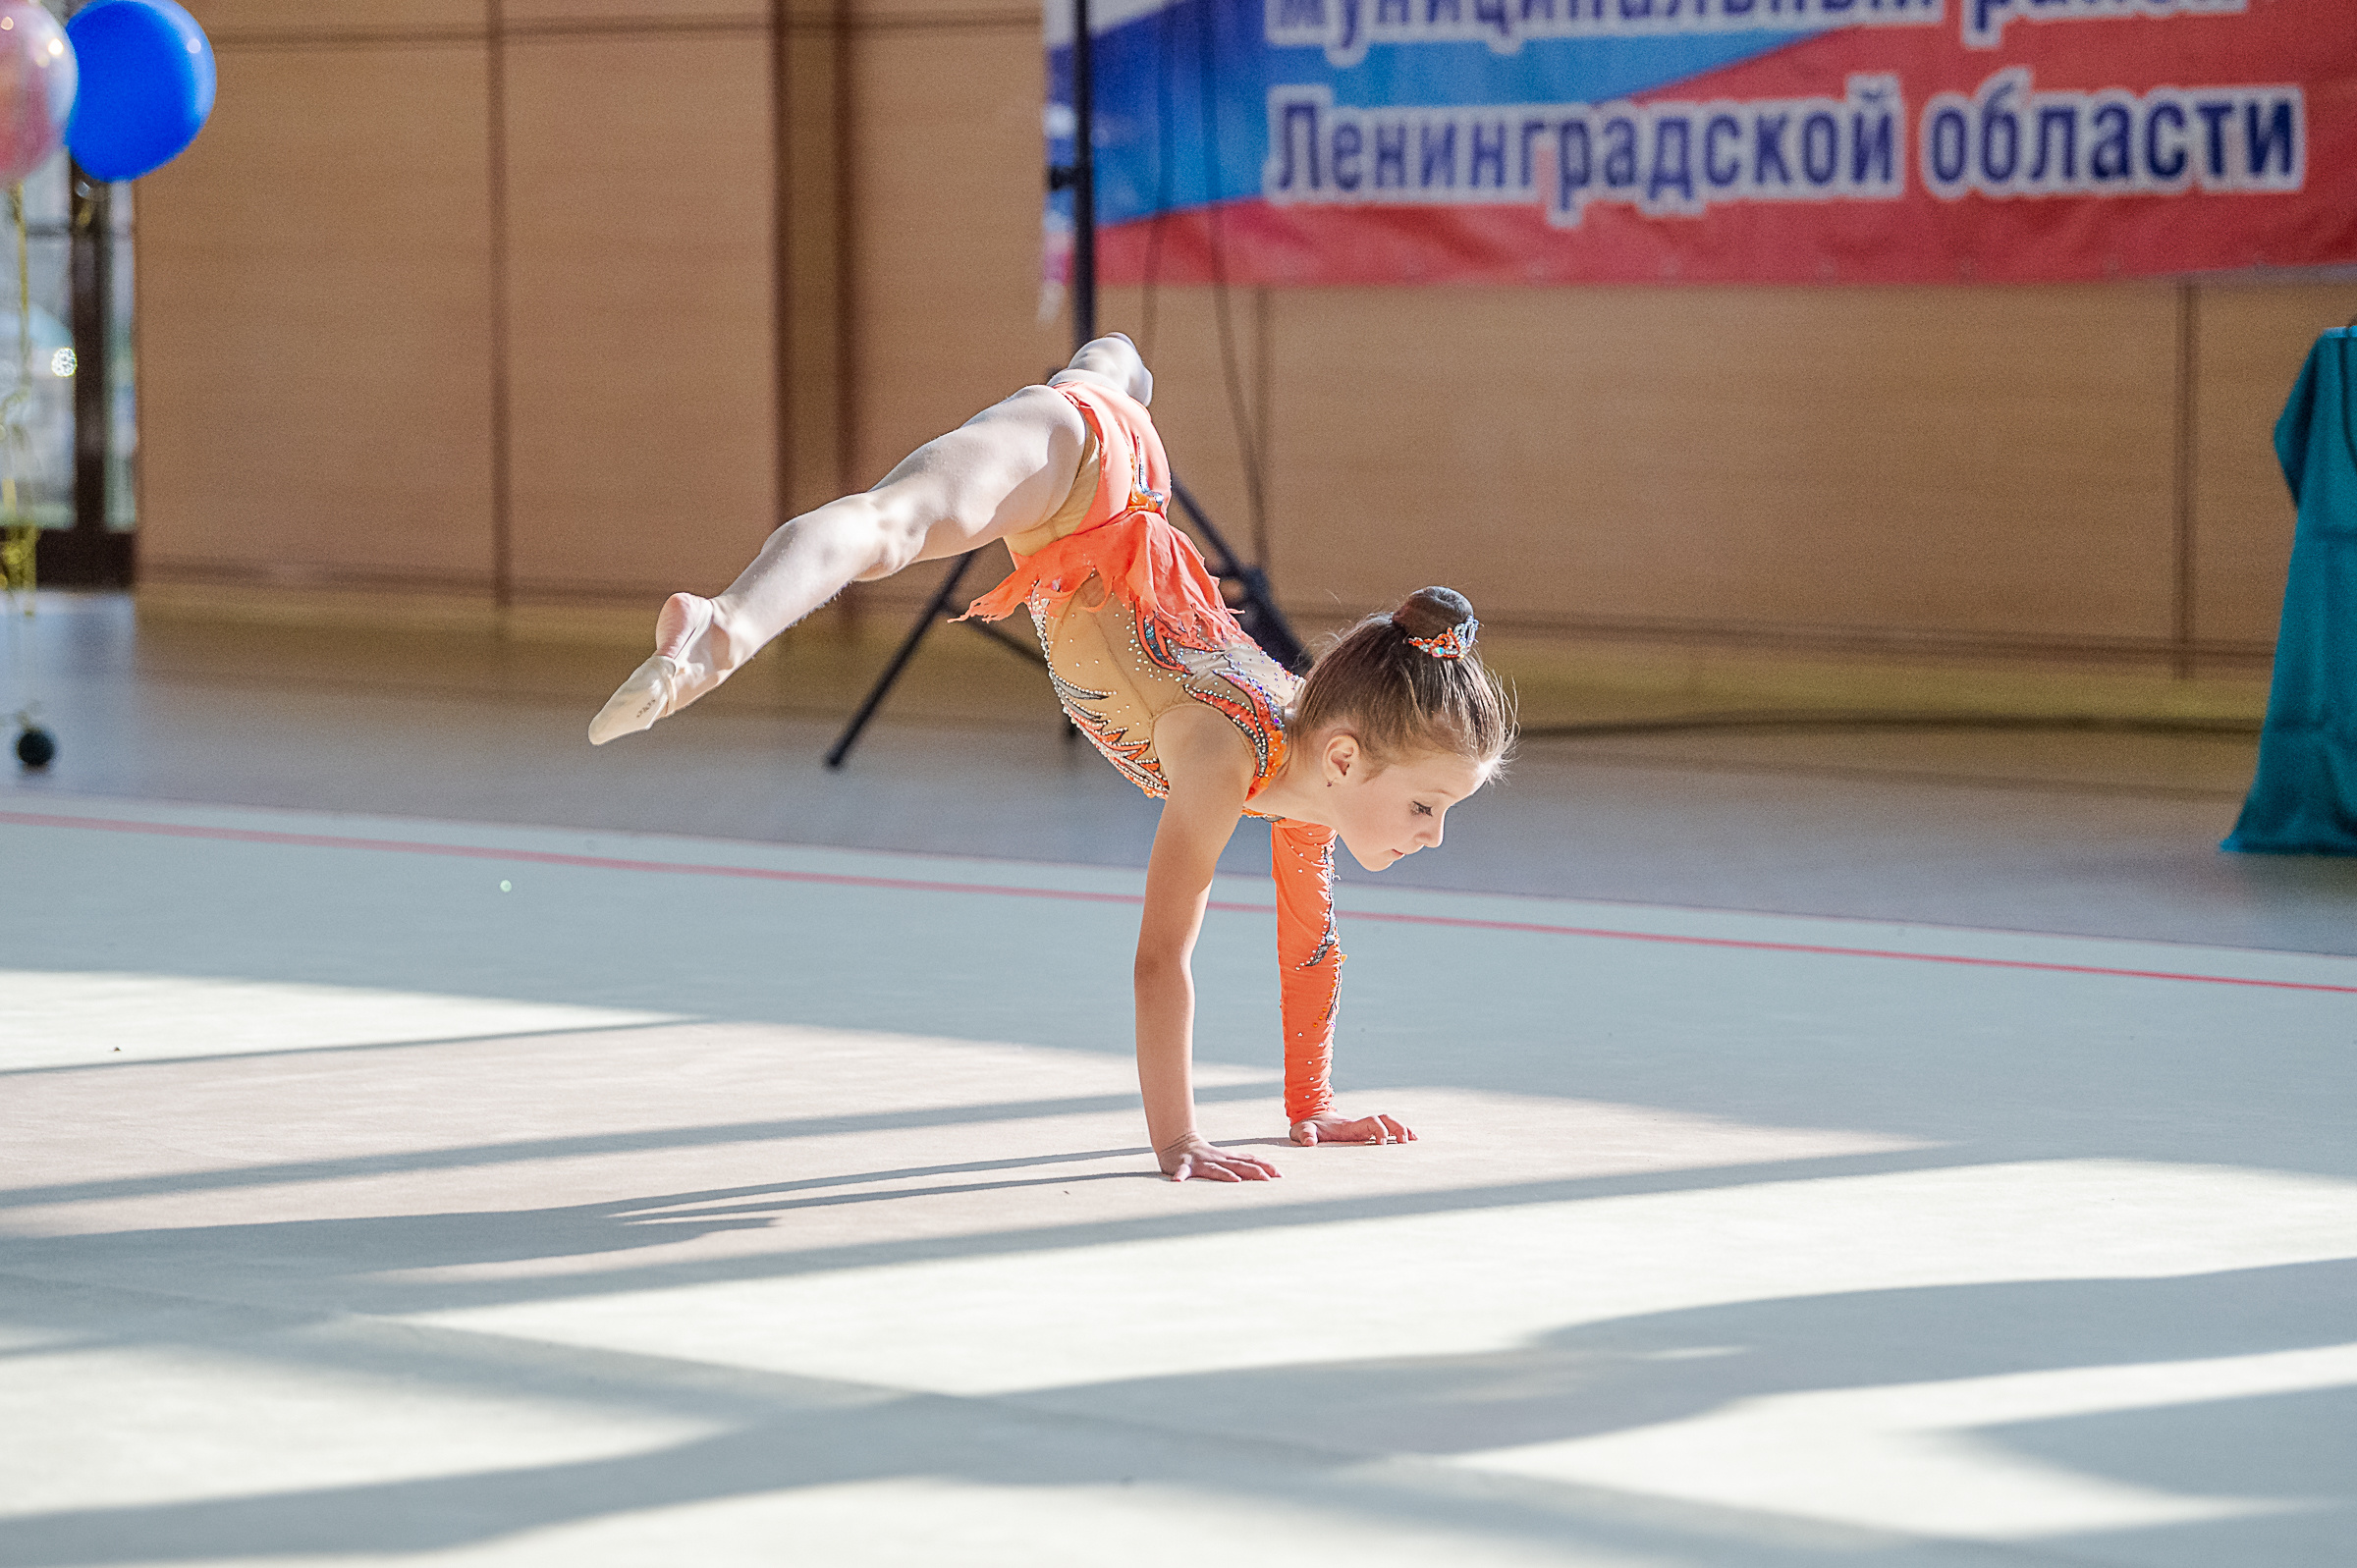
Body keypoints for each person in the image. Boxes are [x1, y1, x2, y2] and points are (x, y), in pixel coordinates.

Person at [590, 334, 1512, 1181]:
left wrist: (1312, 1108)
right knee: (893, 526)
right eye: (1428, 806)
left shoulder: (1311, 779)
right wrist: (1178, 1135)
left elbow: (1311, 942)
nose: (1433, 837)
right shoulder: (1224, 756)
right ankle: (723, 626)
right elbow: (1161, 960)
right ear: (1348, 760)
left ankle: (1114, 367)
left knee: (1108, 372)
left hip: (1129, 481)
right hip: (1087, 466)